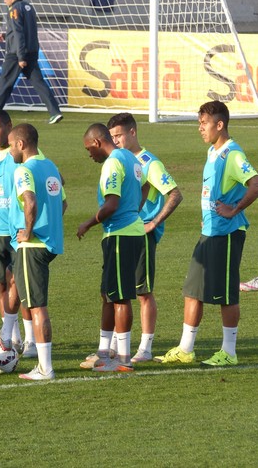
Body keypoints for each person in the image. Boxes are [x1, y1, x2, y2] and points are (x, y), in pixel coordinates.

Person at [155, 101, 258, 367]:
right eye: (199, 123)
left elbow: (255, 184)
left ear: (219, 124)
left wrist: (234, 209)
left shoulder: (232, 154)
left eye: (204, 123)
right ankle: (186, 348)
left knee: (226, 295)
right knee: (193, 290)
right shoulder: (213, 152)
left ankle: (229, 352)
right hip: (209, 233)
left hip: (226, 233)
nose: (200, 128)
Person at [107, 113, 183, 362]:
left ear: (132, 132)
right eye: (112, 137)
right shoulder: (121, 160)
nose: (115, 140)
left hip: (142, 236)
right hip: (124, 233)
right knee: (119, 291)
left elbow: (175, 194)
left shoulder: (149, 163)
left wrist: (154, 222)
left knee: (143, 292)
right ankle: (119, 346)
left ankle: (145, 348)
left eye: (119, 135)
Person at [77, 123, 146, 372]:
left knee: (120, 297)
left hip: (121, 234)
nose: (89, 155)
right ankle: (104, 353)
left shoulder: (113, 162)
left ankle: (123, 359)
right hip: (129, 232)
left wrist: (87, 223)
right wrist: (135, 209)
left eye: (89, 149)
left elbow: (111, 204)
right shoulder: (131, 157)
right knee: (108, 293)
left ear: (96, 142)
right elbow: (145, 184)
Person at [4, 123, 66, 380]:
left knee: (38, 307)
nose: (9, 151)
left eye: (10, 145)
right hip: (49, 243)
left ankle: (45, 368)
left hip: (33, 246)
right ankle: (13, 339)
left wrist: (29, 231)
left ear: (20, 144)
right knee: (29, 297)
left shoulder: (24, 170)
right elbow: (63, 203)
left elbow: (30, 201)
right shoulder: (50, 165)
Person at [0, 109, 36, 358]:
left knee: (20, 287)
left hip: (17, 232)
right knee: (2, 285)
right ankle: (11, 338)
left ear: (9, 126)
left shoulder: (24, 156)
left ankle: (32, 340)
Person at [0, 0, 63, 125]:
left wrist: (21, 57)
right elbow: (25, 30)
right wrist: (6, 35)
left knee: (5, 84)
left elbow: (19, 33)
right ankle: (55, 112)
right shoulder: (28, 7)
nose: (4, 1)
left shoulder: (14, 10)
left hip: (17, 53)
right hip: (32, 50)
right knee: (39, 83)